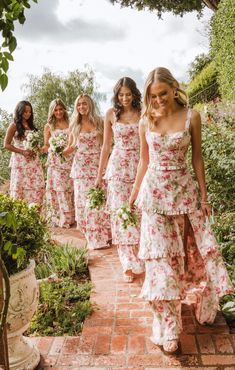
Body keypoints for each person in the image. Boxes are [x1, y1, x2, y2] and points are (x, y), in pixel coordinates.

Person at [129, 67, 233, 353]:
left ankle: (202, 302)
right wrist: (133, 193)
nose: (159, 100)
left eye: (163, 93)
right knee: (159, 262)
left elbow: (197, 157)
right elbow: (143, 162)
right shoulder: (145, 121)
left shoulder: (192, 116)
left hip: (183, 195)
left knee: (187, 256)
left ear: (174, 88)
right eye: (153, 96)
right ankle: (169, 325)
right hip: (153, 198)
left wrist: (204, 194)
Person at [95, 77, 144, 282]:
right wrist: (100, 175)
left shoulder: (143, 113)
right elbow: (106, 146)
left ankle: (142, 257)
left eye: (128, 94)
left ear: (134, 94)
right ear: (116, 95)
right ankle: (128, 263)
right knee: (120, 214)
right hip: (117, 169)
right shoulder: (111, 115)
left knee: (140, 213)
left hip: (140, 165)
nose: (124, 98)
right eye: (121, 94)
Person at [64, 93, 111, 249]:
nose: (81, 107)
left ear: (90, 104)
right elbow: (71, 147)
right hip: (81, 169)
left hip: (98, 165)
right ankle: (93, 237)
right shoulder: (74, 125)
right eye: (78, 104)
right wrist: (59, 150)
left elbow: (106, 145)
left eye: (84, 103)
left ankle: (104, 235)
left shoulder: (100, 121)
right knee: (85, 203)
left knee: (100, 200)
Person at [4, 100, 44, 206]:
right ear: (19, 111)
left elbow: (36, 145)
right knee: (20, 189)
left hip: (33, 162)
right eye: (25, 111)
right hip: (20, 162)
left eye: (29, 112)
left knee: (36, 188)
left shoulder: (31, 126)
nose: (27, 114)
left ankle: (35, 216)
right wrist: (22, 152)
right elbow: (6, 145)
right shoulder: (13, 125)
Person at [43, 98, 74, 228]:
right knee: (59, 189)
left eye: (61, 109)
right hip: (55, 163)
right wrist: (34, 147)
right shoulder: (49, 126)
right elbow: (45, 146)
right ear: (52, 111)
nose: (59, 112)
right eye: (56, 110)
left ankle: (73, 216)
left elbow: (74, 142)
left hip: (70, 160)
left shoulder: (71, 122)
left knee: (70, 188)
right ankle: (62, 218)